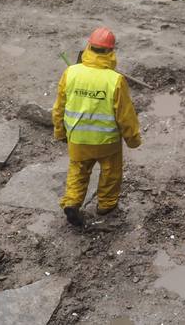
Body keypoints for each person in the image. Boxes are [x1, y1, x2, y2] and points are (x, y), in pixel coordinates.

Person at [52, 27, 142, 227]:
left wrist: (60, 131)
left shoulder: (71, 73)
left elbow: (59, 107)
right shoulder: (115, 80)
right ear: (111, 52)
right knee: (111, 172)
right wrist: (133, 139)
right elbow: (125, 115)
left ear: (88, 47)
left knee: (78, 170)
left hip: (77, 139)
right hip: (106, 142)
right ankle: (106, 205)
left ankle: (72, 201)